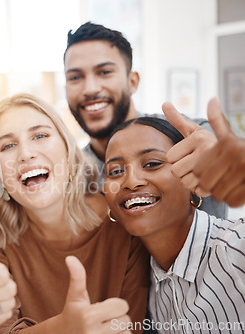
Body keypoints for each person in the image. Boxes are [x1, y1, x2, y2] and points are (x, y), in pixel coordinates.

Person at [0, 93, 150, 333]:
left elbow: (131, 326)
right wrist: (65, 328)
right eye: (7, 145)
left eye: (40, 135)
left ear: (67, 149)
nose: (25, 154)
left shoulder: (121, 218)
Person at [63, 21, 227, 219]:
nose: (90, 88)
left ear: (132, 82)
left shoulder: (186, 135)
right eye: (75, 77)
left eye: (104, 72)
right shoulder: (71, 176)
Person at [103, 116, 245, 334]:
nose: (131, 181)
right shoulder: (151, 283)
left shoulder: (235, 248)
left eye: (152, 164)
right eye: (115, 171)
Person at [164, 97, 245, 208]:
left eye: (152, 164)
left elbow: (220, 146)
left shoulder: (191, 129)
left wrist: (221, 157)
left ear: (133, 81)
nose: (132, 181)